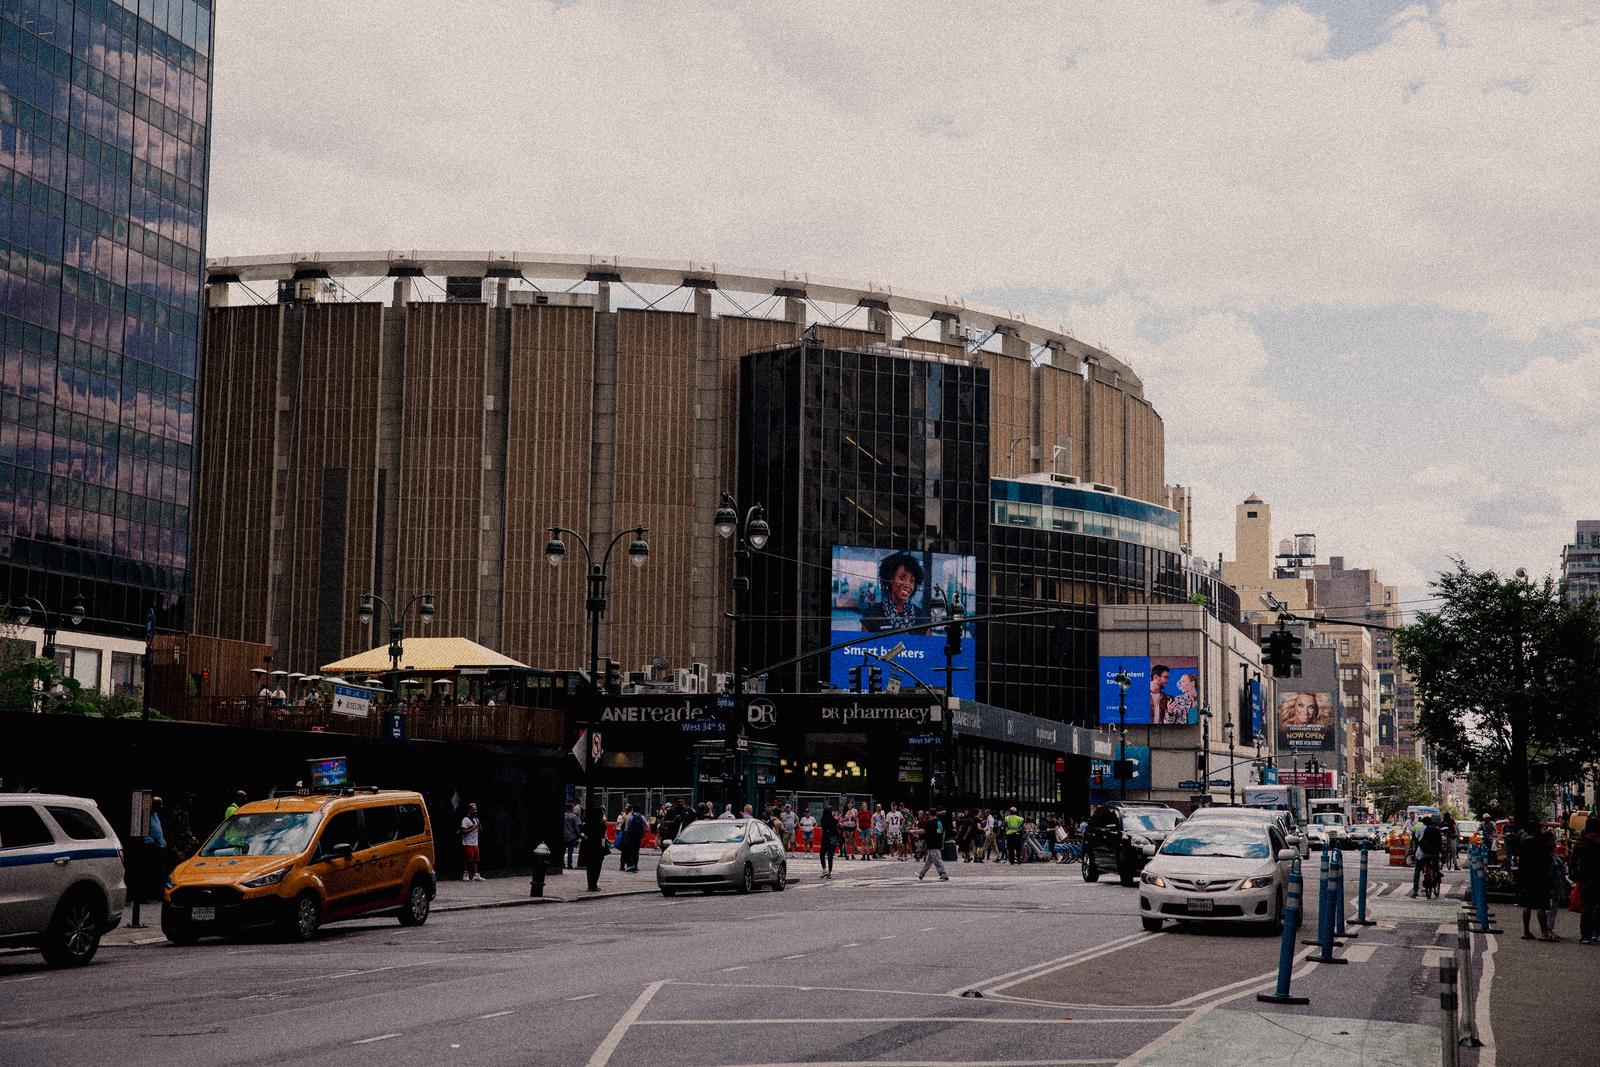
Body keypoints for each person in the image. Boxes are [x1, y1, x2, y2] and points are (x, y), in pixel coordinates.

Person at [860, 551, 930, 632]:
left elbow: (929, 644)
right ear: (890, 579)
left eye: (912, 581)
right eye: (901, 578)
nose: (907, 585)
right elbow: (864, 644)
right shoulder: (872, 615)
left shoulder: (921, 617)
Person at [1515, 820, 1556, 940]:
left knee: (1527, 905)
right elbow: (1547, 860)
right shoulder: (1541, 844)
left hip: (1527, 877)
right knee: (1540, 905)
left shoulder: (1524, 843)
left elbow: (1521, 862)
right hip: (1540, 876)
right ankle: (1544, 933)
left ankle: (1526, 931)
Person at [1571, 822, 1600, 944]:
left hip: (1588, 878)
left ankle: (1589, 933)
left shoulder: (1581, 844)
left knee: (1589, 907)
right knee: (1589, 907)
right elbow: (1573, 861)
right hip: (1589, 878)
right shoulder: (1584, 844)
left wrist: (1576, 875)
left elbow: (1573, 861)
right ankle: (1589, 933)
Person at [1411, 815, 1442, 897]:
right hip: (1434, 853)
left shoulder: (1420, 827)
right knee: (1435, 866)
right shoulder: (1436, 830)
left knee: (1417, 871)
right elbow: (1439, 843)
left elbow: (1417, 838)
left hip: (1422, 852)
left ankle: (1415, 891)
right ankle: (1437, 873)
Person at [578, 808, 608, 892]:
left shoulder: (587, 824)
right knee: (597, 867)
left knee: (590, 867)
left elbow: (582, 832)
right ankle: (594, 884)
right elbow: (602, 836)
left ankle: (590, 884)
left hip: (588, 846)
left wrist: (586, 837)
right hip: (597, 847)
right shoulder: (602, 825)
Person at [918, 809, 950, 881]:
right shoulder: (938, 822)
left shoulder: (929, 822)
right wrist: (939, 839)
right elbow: (940, 831)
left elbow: (923, 831)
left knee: (937, 861)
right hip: (937, 843)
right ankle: (922, 874)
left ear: (930, 814)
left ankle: (944, 875)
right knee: (928, 861)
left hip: (932, 844)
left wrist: (913, 831)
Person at [618, 804, 646, 873]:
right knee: (636, 851)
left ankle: (629, 865)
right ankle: (635, 866)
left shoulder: (629, 817)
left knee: (628, 850)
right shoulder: (642, 817)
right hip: (638, 837)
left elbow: (626, 828)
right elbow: (647, 826)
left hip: (630, 836)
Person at [460, 802, 484, 881]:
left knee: (475, 859)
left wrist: (479, 825)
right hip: (467, 843)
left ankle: (476, 875)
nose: (475, 811)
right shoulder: (465, 819)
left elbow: (480, 829)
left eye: (476, 809)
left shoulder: (476, 819)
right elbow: (464, 831)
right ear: (469, 810)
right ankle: (465, 874)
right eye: (473, 810)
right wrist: (473, 828)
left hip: (475, 843)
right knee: (467, 859)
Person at [819, 806, 840, 879]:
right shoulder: (833, 820)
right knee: (830, 856)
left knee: (822, 853)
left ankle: (824, 869)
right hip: (832, 839)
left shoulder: (823, 820)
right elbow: (838, 826)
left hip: (825, 838)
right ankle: (829, 873)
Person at [563, 801, 582, 869]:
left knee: (563, 851)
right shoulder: (573, 816)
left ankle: (563, 863)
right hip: (571, 836)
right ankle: (569, 864)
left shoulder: (563, 816)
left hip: (563, 835)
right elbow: (576, 827)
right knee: (570, 851)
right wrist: (579, 834)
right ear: (571, 808)